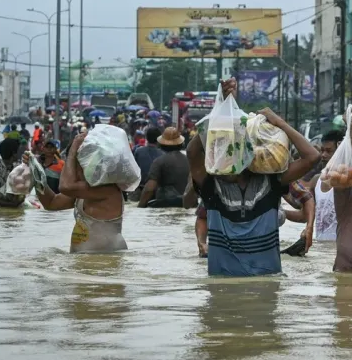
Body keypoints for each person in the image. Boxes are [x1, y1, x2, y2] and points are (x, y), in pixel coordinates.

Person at [188, 78, 320, 276]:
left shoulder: (272, 182)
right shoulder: (212, 186)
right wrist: (222, 111)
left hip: (266, 287)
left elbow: (312, 157)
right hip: (222, 290)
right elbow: (192, 153)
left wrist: (281, 123)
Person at [34, 131, 128, 253]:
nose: (71, 171)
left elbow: (65, 186)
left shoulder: (107, 188)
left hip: (105, 262)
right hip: (85, 261)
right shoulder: (82, 192)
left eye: (73, 166)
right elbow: (51, 203)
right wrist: (35, 173)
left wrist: (73, 152)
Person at [138, 127, 190, 208]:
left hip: (165, 204)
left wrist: (140, 207)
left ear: (161, 144)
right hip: (185, 203)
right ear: (181, 144)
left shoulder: (159, 161)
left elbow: (149, 189)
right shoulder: (189, 160)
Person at [0, 138, 25, 208]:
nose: (21, 152)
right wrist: (11, 205)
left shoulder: (16, 168)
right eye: (19, 151)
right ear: (13, 153)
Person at [130, 127, 164, 202]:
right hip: (157, 191)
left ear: (146, 138)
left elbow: (132, 169)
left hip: (140, 189)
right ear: (159, 139)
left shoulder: (138, 151)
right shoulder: (163, 154)